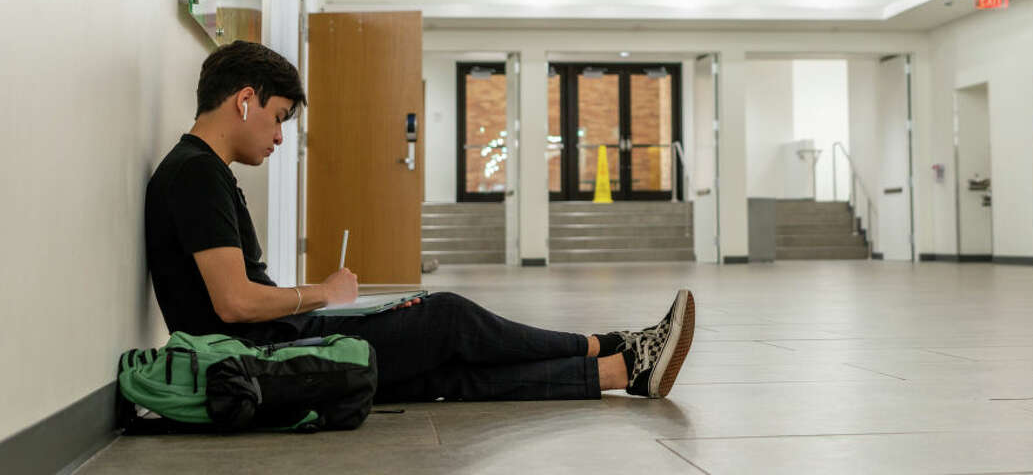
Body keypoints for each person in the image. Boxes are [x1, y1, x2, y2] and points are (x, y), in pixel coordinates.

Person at [145, 41, 695, 401]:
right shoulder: (196, 174)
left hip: (266, 349)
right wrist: (324, 293)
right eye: (279, 118)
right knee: (446, 318)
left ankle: (620, 370)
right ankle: (609, 344)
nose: (280, 136)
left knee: (438, 374)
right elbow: (234, 302)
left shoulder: (197, 171)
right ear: (245, 101)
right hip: (259, 357)